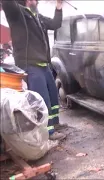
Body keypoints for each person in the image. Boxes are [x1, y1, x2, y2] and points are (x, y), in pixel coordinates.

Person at [2, 0, 67, 140]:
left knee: (53, 97)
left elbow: (56, 24)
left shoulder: (38, 16)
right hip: (30, 65)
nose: (35, 1)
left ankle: (55, 124)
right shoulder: (17, 14)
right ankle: (48, 133)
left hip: (44, 65)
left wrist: (59, 6)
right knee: (42, 101)